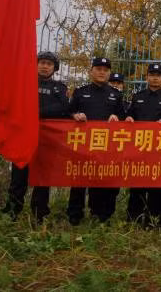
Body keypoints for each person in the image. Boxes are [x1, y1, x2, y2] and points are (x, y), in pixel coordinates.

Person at [1, 51, 69, 222]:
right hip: (23, 139)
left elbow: (62, 109)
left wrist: (34, 113)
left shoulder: (59, 88)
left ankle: (40, 213)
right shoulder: (24, 83)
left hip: (47, 141)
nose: (45, 66)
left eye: (49, 64)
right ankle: (12, 210)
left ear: (55, 68)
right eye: (42, 62)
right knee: (19, 176)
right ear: (36, 64)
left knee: (43, 177)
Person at [67, 57, 125, 225]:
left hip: (105, 146)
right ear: (91, 71)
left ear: (109, 73)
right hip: (82, 145)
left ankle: (99, 215)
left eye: (105, 70)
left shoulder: (116, 94)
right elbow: (68, 112)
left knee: (100, 180)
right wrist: (75, 115)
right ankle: (74, 214)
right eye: (98, 69)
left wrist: (117, 117)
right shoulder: (80, 92)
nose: (102, 72)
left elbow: (123, 117)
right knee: (79, 180)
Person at [123, 63, 161, 228]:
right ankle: (135, 219)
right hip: (140, 148)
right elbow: (129, 114)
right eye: (152, 74)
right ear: (146, 77)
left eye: (158, 75)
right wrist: (129, 119)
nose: (155, 77)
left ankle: (159, 220)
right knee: (137, 185)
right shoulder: (137, 97)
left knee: (160, 186)